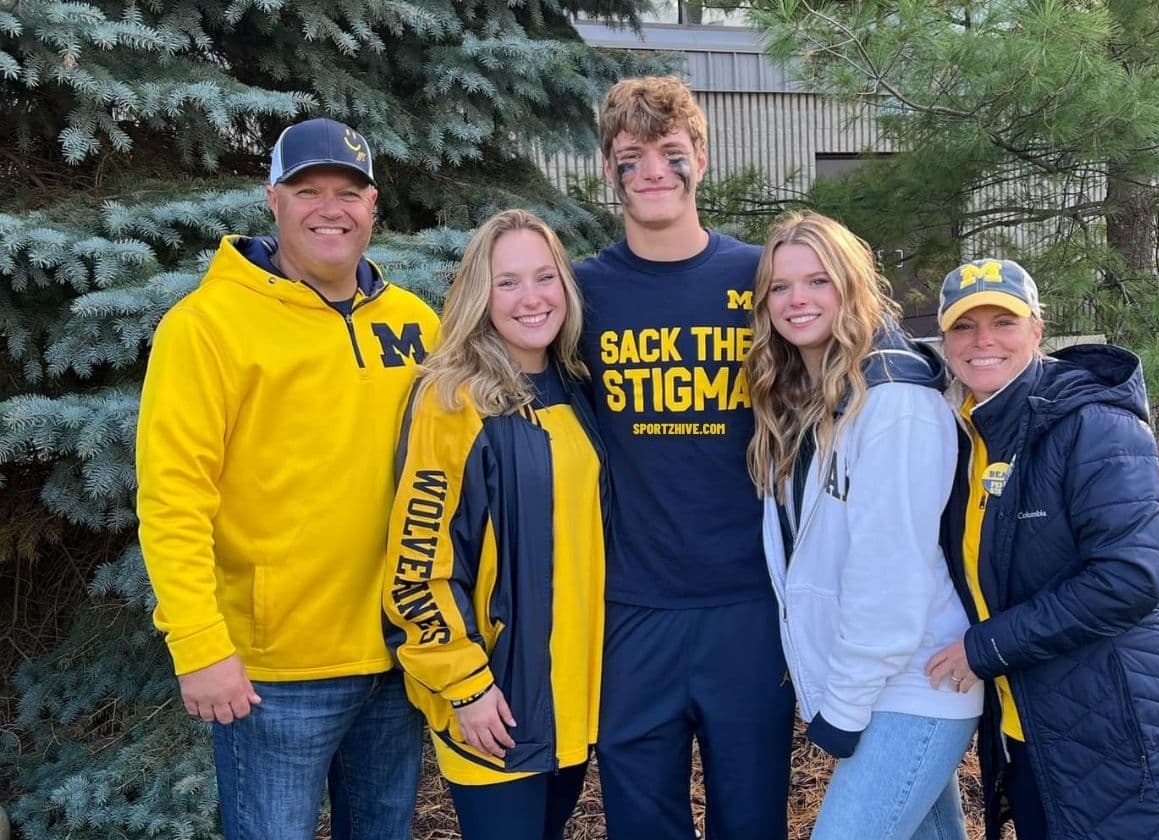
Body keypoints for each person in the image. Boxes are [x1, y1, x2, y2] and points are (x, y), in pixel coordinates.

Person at [137, 118, 440, 838]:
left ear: (373, 207)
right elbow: (172, 498)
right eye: (308, 190)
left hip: (399, 658)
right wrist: (200, 645)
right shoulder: (206, 327)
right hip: (273, 676)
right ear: (272, 198)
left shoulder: (416, 323)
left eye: (349, 192)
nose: (329, 208)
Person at [924, 258, 1159, 839]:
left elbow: (1127, 578)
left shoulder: (1095, 424)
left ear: (1038, 331)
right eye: (965, 327)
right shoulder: (966, 438)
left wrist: (985, 647)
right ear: (944, 339)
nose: (983, 341)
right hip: (1035, 729)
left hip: (1126, 725)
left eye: (1004, 322)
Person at [575, 75, 795, 839]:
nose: (654, 171)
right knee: (641, 821)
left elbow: (851, 354)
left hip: (749, 604)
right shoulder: (581, 295)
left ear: (699, 156)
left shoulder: (759, 278)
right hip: (633, 606)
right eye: (631, 157)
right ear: (610, 171)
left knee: (752, 818)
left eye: (671, 152)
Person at [746, 212, 982, 839]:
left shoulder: (895, 400)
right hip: (881, 683)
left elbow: (889, 572)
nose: (797, 300)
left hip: (914, 686)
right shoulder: (810, 393)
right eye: (780, 286)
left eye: (818, 281)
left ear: (851, 286)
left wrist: (843, 705)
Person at [382, 209, 607, 840]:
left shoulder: (571, 383)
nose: (531, 298)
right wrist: (466, 686)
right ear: (481, 295)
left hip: (570, 699)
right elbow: (417, 565)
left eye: (544, 277)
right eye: (507, 282)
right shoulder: (452, 400)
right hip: (497, 702)